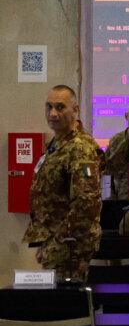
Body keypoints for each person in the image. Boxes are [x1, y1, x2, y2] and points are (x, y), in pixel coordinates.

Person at [22, 84, 103, 281]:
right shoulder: (57, 144)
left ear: (75, 110)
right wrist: (45, 242)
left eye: (60, 107)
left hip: (71, 247)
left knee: (67, 309)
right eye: (48, 107)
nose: (53, 113)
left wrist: (56, 242)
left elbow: (86, 204)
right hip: (56, 245)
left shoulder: (80, 147)